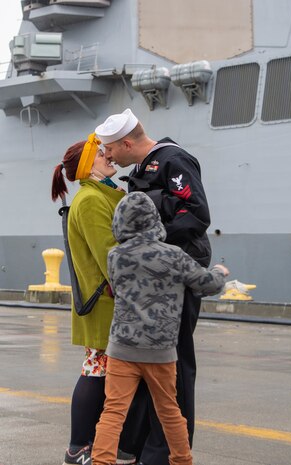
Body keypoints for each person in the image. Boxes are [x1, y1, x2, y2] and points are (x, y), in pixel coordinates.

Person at [95, 109, 212, 465]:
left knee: (174, 366)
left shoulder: (173, 161)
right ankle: (138, 445)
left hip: (174, 279)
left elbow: (195, 213)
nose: (108, 156)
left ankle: (166, 452)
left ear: (127, 143)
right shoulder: (144, 169)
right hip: (152, 280)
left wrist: (150, 245)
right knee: (145, 367)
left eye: (110, 150)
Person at [91, 191, 229, 465]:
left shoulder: (114, 256)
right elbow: (205, 284)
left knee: (113, 412)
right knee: (169, 411)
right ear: (154, 221)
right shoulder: (174, 255)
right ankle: (181, 460)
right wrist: (219, 273)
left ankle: (100, 461)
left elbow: (117, 289)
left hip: (122, 349)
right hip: (160, 351)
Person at [51, 133, 136, 465]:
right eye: (102, 154)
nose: (109, 157)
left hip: (106, 302)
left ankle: (90, 445)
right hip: (104, 303)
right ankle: (78, 448)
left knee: (100, 372)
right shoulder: (90, 200)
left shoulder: (102, 195)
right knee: (95, 372)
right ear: (89, 164)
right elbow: (109, 256)